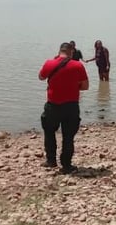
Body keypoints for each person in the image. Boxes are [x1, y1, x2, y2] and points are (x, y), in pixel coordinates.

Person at [38, 42, 89, 174]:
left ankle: (51, 161)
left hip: (53, 105)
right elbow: (85, 86)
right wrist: (71, 86)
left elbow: (41, 77)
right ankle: (66, 165)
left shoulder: (50, 63)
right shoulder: (78, 65)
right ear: (71, 52)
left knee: (49, 132)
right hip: (71, 106)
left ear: (59, 51)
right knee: (68, 136)